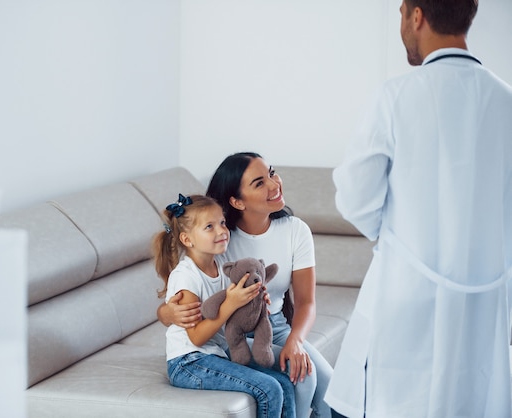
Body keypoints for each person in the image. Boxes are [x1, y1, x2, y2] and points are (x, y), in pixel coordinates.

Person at [325, 1, 512, 417]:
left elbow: (355, 197)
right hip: (484, 303)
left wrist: (400, 235)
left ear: (416, 15)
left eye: (401, 13)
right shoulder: (507, 102)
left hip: (404, 296)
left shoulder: (396, 95)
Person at [158, 154, 333, 418]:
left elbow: (307, 301)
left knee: (333, 391)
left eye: (272, 173)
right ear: (237, 201)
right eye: (260, 183)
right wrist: (166, 313)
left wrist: (295, 342)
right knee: (300, 378)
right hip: (234, 333)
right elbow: (188, 293)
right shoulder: (217, 241)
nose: (274, 185)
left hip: (275, 326)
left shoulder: (294, 230)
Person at [153, 193, 296, 418]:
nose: (221, 230)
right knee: (269, 389)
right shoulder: (186, 277)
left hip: (216, 353)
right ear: (187, 240)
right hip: (189, 362)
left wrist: (254, 301)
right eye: (209, 227)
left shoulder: (221, 265)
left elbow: (235, 314)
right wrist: (230, 304)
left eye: (221, 223)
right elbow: (196, 338)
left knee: (284, 384)